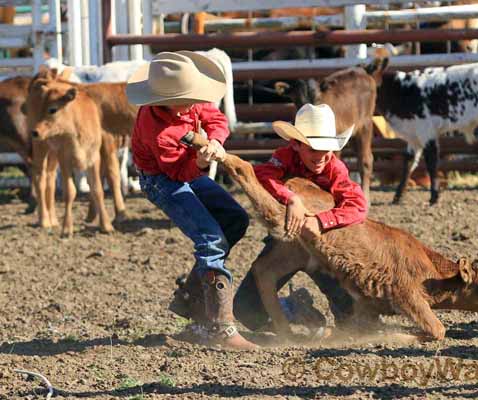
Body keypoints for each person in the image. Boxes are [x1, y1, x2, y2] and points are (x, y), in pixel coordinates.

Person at [126, 51, 256, 350]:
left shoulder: (187, 102)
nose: (192, 103)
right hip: (162, 181)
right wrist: (200, 162)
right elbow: (178, 173)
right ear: (163, 98)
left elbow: (216, 118)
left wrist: (215, 141)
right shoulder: (158, 131)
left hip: (183, 169)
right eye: (185, 98)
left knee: (235, 219)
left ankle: (191, 299)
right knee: (210, 239)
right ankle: (219, 327)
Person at [233, 103, 368, 333]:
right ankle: (293, 309)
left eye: (326, 150)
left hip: (321, 246)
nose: (320, 157)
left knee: (353, 319)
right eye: (313, 149)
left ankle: (339, 322)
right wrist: (291, 198)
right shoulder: (284, 156)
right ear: (296, 145)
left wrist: (321, 220)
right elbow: (263, 176)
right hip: (286, 241)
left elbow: (358, 205)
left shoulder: (335, 168)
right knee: (245, 309)